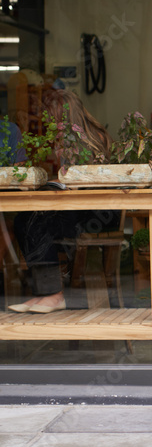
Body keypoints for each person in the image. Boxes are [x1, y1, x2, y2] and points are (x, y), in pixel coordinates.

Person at [9, 88, 116, 314]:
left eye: (54, 118)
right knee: (23, 220)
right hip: (78, 209)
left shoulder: (91, 139)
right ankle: (44, 293)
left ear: (65, 116)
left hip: (95, 213)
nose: (50, 124)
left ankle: (53, 295)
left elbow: (84, 181)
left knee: (37, 223)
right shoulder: (74, 138)